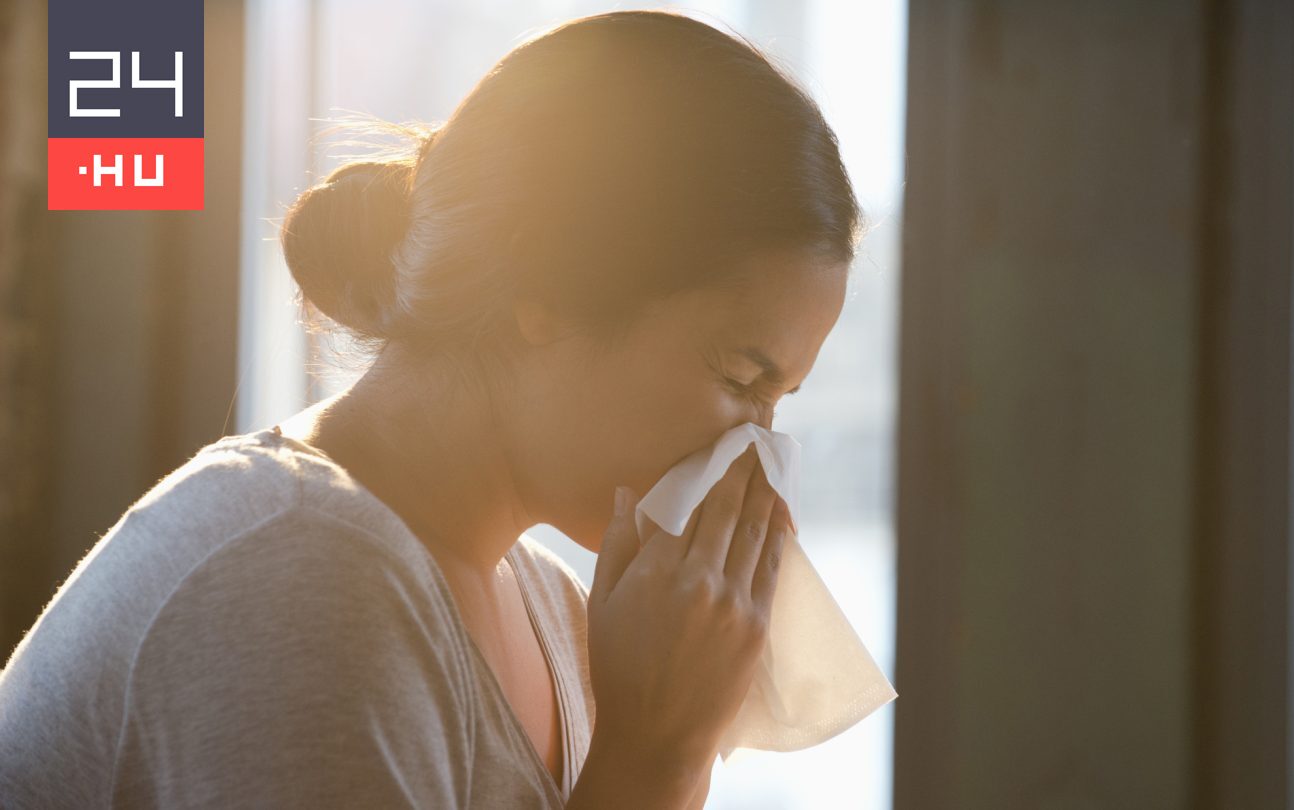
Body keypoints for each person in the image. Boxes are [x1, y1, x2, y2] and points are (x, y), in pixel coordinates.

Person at [0, 8, 860, 808]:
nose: (757, 449)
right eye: (742, 378)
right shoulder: (301, 579)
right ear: (551, 285)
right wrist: (658, 756)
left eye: (780, 400)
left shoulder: (558, 613)